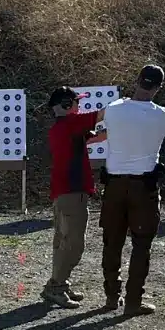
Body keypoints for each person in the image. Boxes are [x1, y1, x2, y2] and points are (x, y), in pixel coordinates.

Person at [95, 64, 165, 315]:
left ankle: (111, 297)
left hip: (114, 186)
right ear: (158, 87)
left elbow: (98, 122)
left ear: (137, 80)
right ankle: (133, 301)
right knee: (141, 245)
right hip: (144, 188)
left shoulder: (113, 109)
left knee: (112, 243)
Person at [40, 87, 101, 307]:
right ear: (66, 105)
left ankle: (59, 284)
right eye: (77, 102)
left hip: (64, 193)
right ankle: (56, 286)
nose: (79, 106)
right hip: (72, 193)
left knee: (62, 241)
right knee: (74, 244)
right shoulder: (70, 123)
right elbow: (104, 114)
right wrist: (126, 106)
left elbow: (95, 137)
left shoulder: (62, 127)